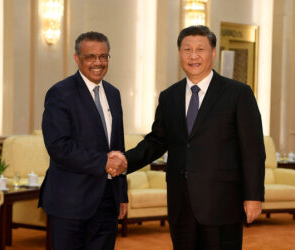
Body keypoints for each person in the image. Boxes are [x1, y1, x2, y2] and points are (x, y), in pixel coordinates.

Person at [108, 25, 265, 249]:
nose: (193, 56)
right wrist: (125, 161)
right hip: (181, 204)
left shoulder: (238, 93)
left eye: (200, 49)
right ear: (179, 53)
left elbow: (253, 150)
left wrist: (253, 196)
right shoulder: (169, 96)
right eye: (187, 49)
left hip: (222, 203)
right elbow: (156, 141)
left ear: (212, 53)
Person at [39, 31, 128, 250]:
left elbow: (118, 147)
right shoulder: (60, 93)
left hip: (107, 201)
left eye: (103, 56)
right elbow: (58, 146)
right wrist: (103, 162)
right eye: (91, 57)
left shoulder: (113, 94)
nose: (98, 62)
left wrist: (122, 194)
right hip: (70, 202)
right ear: (78, 58)